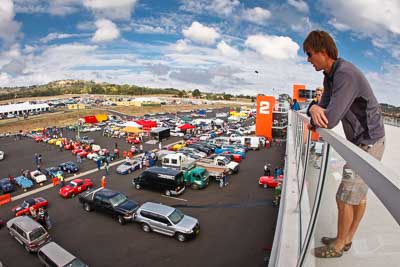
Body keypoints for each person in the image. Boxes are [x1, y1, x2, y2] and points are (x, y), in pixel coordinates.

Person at [303, 30, 385, 258]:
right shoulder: (330, 75)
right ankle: (346, 238)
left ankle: (339, 245)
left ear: (322, 52)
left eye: (309, 54)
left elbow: (329, 119)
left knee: (344, 197)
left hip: (369, 142)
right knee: (357, 195)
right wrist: (315, 109)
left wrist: (313, 108)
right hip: (362, 141)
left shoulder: (345, 74)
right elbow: (323, 108)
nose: (308, 59)